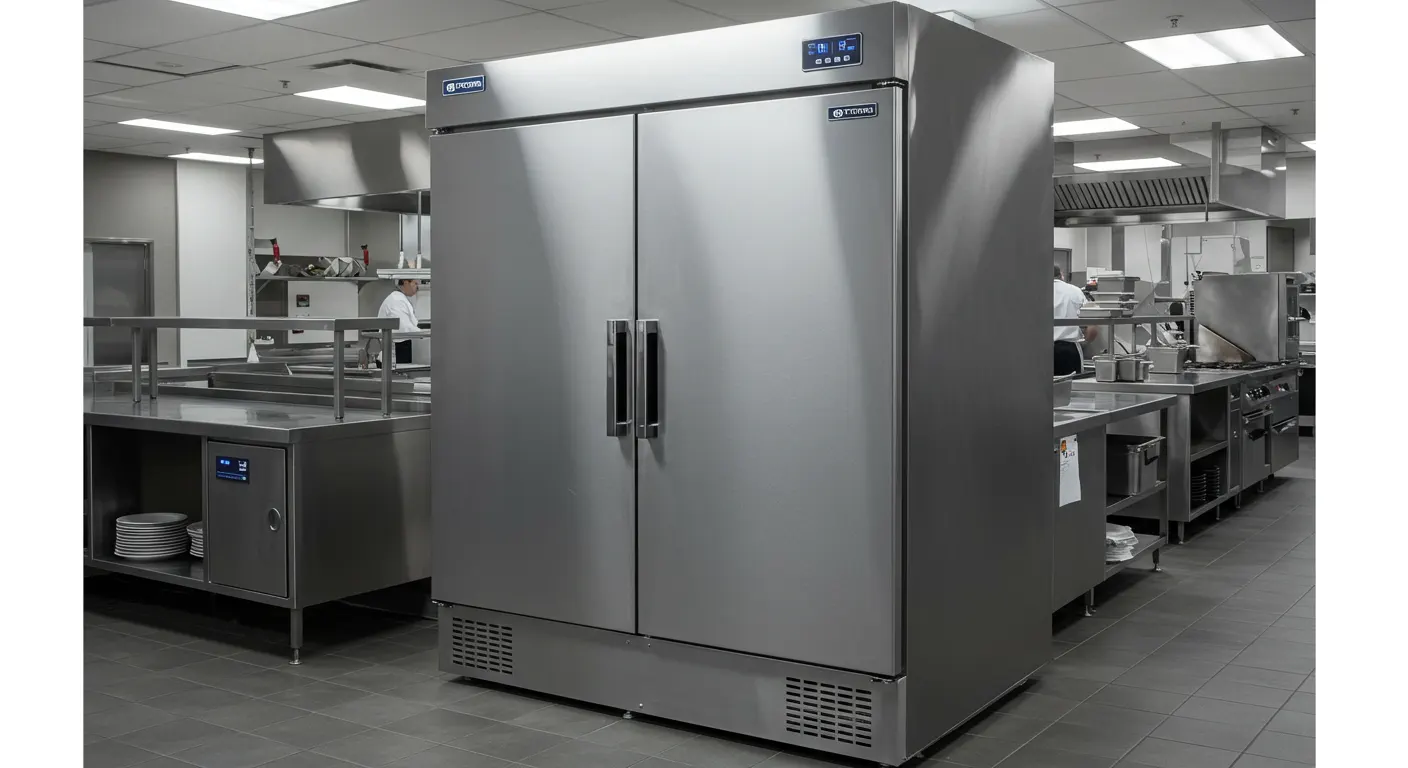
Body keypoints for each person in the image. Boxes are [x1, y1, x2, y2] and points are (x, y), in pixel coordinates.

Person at [1053, 266, 1094, 375]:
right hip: (1069, 351)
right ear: (1061, 275)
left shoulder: (1033, 292)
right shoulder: (1075, 291)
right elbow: (1092, 326)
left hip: (1038, 350)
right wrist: (1085, 342)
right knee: (1071, 388)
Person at [376, 279, 421, 367]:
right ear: (406, 283)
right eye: (415, 283)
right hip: (396, 350)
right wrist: (425, 334)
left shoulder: (400, 298)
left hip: (400, 347)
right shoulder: (396, 300)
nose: (418, 287)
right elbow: (403, 327)